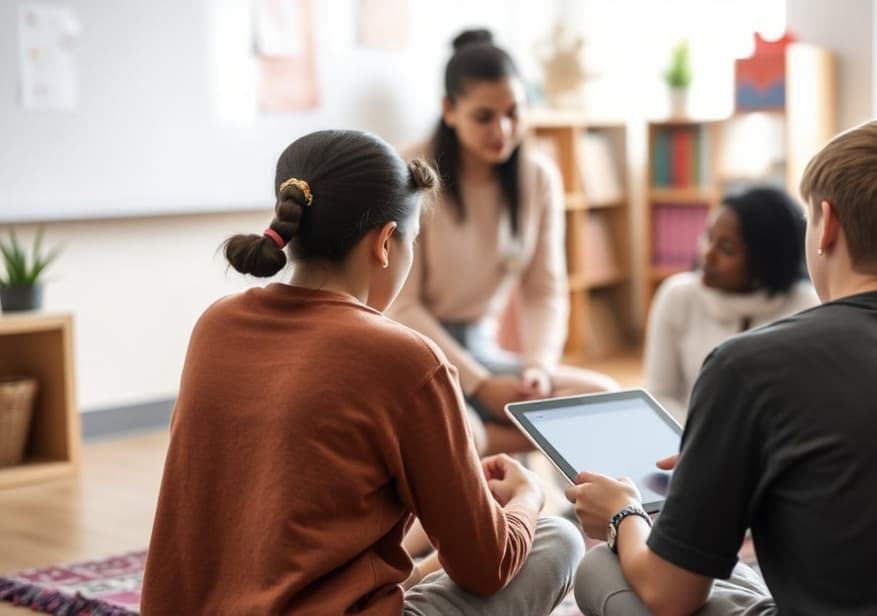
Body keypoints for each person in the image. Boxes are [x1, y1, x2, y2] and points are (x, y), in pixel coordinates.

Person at [565, 119, 877, 615]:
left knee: (604, 568)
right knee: (733, 567)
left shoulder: (748, 366)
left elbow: (671, 596)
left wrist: (623, 514)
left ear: (827, 224)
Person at [141, 130, 583, 615]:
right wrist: (528, 496)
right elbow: (488, 566)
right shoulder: (406, 357)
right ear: (386, 243)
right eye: (412, 242)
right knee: (557, 538)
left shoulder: (215, 324)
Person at [389, 29, 617, 455]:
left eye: (515, 112)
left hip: (482, 349)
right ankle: (497, 445)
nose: (504, 130)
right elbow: (402, 307)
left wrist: (538, 367)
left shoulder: (538, 178)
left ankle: (577, 504)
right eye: (485, 116)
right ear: (449, 110)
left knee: (604, 398)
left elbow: (544, 291)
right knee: (464, 431)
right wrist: (479, 383)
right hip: (415, 353)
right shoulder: (410, 171)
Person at [645, 186, 818, 422]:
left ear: (765, 260)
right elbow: (659, 396)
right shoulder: (677, 296)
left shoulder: (806, 305)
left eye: (727, 249)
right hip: (688, 439)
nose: (707, 254)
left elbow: (806, 406)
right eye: (708, 238)